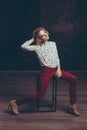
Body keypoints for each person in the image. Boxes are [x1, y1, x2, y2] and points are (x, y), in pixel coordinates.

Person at [8, 27, 80, 116]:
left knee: (74, 79)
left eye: (45, 33)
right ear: (39, 38)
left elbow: (57, 57)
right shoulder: (37, 47)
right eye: (42, 35)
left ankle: (72, 105)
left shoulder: (53, 44)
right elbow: (23, 46)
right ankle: (15, 102)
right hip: (46, 71)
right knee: (40, 97)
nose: (45, 36)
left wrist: (59, 69)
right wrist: (33, 39)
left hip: (56, 70)